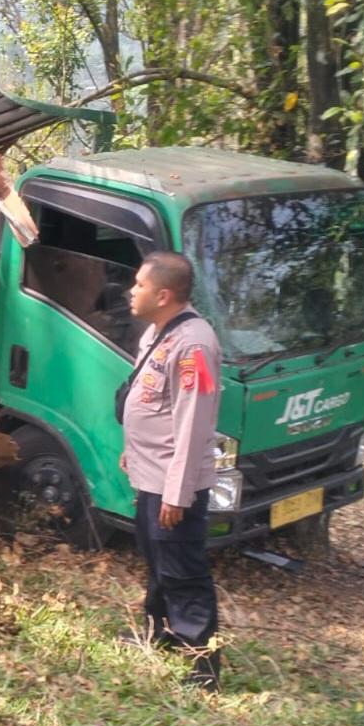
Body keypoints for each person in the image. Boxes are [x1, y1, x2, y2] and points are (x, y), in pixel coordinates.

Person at [117, 251, 224, 691]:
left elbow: (193, 421)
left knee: (183, 571)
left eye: (139, 285)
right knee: (158, 561)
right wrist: (133, 451)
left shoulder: (194, 344)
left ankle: (203, 666)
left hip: (172, 485)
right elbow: (152, 402)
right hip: (151, 476)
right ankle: (158, 632)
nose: (131, 290)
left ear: (163, 294)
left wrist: (177, 494)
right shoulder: (157, 333)